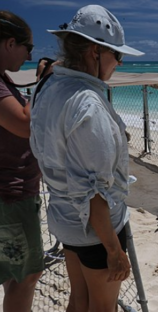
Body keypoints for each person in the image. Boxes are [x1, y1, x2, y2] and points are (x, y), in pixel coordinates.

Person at [29, 5, 144, 312]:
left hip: (65, 220)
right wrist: (114, 250)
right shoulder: (88, 104)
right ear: (95, 51)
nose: (118, 63)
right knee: (103, 306)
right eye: (116, 55)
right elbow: (93, 191)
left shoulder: (49, 87)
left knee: (79, 300)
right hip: (95, 230)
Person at [0, 10, 44, 312]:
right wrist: (43, 83)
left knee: (11, 273)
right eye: (29, 48)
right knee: (25, 276)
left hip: (10, 195)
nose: (30, 56)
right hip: (11, 197)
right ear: (10, 43)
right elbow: (25, 125)